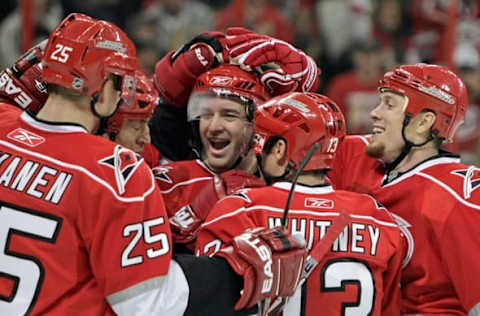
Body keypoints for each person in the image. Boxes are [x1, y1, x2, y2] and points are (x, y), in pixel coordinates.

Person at [0, 13, 308, 315]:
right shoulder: (115, 171)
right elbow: (148, 302)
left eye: (228, 114)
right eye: (120, 83)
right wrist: (234, 274)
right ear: (105, 84)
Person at [195, 92, 407, 315]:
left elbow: (206, 299)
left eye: (261, 142)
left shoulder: (241, 210)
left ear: (279, 150)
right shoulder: (377, 217)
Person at [327, 63, 480, 314]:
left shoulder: (456, 194)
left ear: (422, 123)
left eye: (389, 104)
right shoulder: (353, 155)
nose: (374, 113)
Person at [149, 28, 321, 250]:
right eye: (206, 114)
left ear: (258, 123)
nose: (214, 126)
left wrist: (306, 88)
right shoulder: (167, 183)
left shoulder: (290, 182)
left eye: (229, 115)